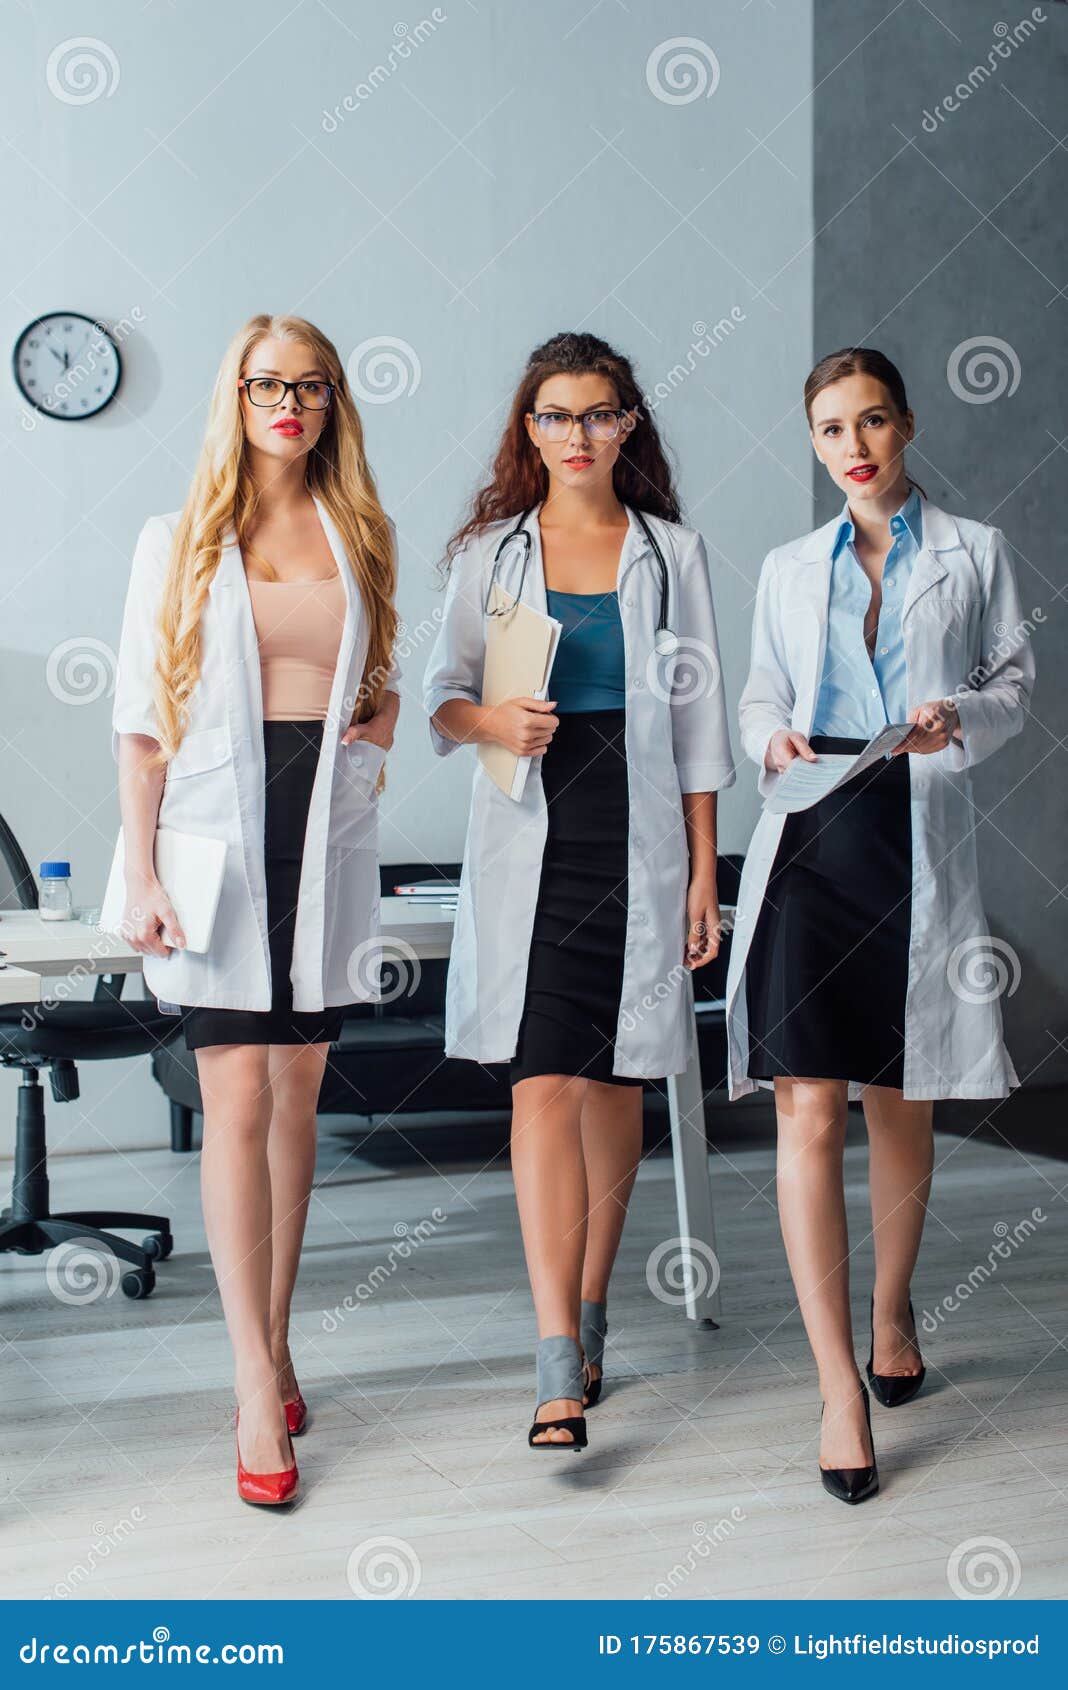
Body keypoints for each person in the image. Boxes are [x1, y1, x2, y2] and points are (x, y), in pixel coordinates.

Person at [725, 346, 1035, 1504]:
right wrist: (770, 738)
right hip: (813, 838)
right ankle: (837, 1387)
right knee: (809, 1103)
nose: (851, 446)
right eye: (829, 429)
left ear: (905, 425)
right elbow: (760, 692)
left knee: (901, 1101)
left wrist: (960, 716)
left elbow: (1013, 683)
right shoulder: (787, 567)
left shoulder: (975, 551)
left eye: (870, 421)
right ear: (814, 443)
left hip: (913, 831)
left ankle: (892, 1309)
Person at [423, 331, 735, 1451]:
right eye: (556, 415)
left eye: (599, 414)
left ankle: (592, 1310)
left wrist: (701, 875)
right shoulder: (492, 555)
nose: (577, 435)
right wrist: (491, 719)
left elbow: (700, 727)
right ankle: (556, 1356)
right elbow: (443, 698)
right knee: (543, 1082)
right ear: (531, 428)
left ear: (628, 424)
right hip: (533, 832)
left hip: (638, 836)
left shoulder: (672, 554)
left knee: (614, 1091)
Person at [111, 313, 401, 1505]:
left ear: (334, 403)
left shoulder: (361, 532)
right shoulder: (179, 538)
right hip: (215, 845)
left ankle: (277, 1345)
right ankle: (249, 1381)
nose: (289, 405)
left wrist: (374, 743)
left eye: (311, 386)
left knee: (296, 1101)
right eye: (267, 385)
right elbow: (143, 720)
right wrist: (143, 872)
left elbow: (377, 689)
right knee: (234, 1096)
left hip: (321, 834)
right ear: (235, 398)